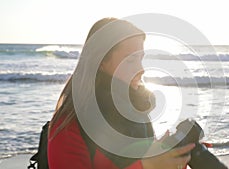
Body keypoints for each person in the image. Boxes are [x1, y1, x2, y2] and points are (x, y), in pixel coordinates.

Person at [47, 17, 195, 169]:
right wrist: (147, 166)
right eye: (130, 60)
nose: (141, 69)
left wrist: (172, 159)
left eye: (141, 59)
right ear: (101, 62)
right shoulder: (69, 125)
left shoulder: (136, 114)